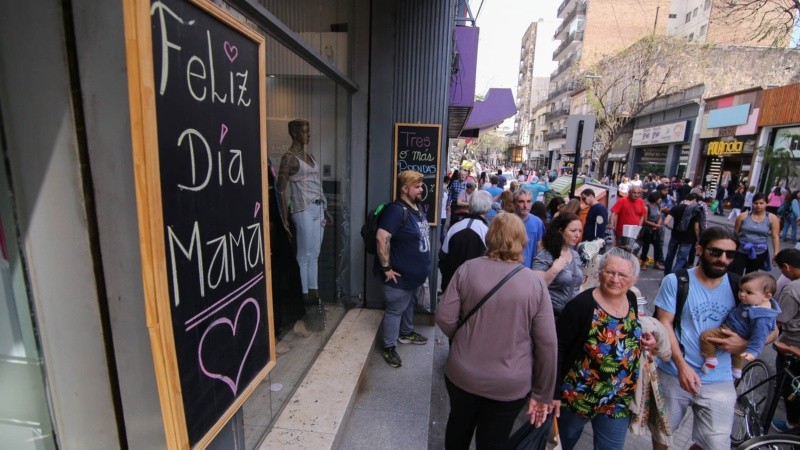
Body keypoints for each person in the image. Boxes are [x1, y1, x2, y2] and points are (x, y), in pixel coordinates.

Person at [435, 213, 558, 449]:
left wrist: (461, 337)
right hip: (509, 382)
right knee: (494, 440)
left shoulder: (468, 269)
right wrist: (542, 393)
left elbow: (443, 316)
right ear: (522, 241)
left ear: (489, 238)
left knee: (457, 429)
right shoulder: (534, 283)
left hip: (463, 373)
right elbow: (547, 343)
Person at [652, 227, 761, 450]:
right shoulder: (677, 281)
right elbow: (665, 323)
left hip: (719, 381)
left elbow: (771, 326)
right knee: (663, 436)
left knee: (716, 445)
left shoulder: (739, 286)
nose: (723, 259)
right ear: (700, 249)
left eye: (730, 254)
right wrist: (681, 366)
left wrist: (743, 344)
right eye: (716, 252)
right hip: (675, 374)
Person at [554, 248, 656, 450]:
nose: (615, 279)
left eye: (622, 275)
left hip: (618, 401)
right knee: (561, 444)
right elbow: (558, 349)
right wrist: (552, 393)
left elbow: (628, 333)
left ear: (633, 279)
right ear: (600, 273)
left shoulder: (632, 300)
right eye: (610, 272)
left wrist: (644, 340)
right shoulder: (581, 306)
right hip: (577, 399)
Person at [277, 119, 332, 329]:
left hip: (318, 208)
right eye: (304, 131)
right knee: (304, 256)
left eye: (309, 130)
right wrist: (284, 218)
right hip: (303, 210)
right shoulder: (289, 159)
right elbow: (280, 189)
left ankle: (314, 295)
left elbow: (317, 184)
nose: (308, 134)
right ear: (293, 133)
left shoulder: (311, 157)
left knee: (314, 255)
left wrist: (326, 207)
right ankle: (304, 300)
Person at [375, 170, 432, 368]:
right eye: (417, 186)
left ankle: (406, 334)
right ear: (404, 189)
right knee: (395, 310)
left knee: (408, 305)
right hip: (399, 278)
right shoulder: (396, 210)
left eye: (421, 185)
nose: (421, 189)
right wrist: (387, 268)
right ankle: (389, 347)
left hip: (413, 277)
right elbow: (382, 237)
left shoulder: (415, 207)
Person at [699, 272, 779, 378]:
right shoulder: (754, 304)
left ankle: (711, 359)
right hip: (737, 332)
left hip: (732, 331)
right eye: (741, 290)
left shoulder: (762, 316)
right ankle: (737, 370)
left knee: (706, 337)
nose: (742, 294)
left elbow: (760, 334)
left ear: (766, 296)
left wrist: (753, 350)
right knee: (737, 353)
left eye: (749, 292)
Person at [533, 213, 584, 318]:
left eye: (580, 231)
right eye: (573, 231)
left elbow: (576, 286)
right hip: (550, 314)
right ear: (560, 230)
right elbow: (535, 286)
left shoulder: (575, 255)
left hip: (571, 315)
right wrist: (554, 270)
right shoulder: (546, 254)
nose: (577, 235)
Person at [439, 191, 491, 291]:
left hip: (451, 285)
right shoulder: (487, 232)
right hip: (475, 290)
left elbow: (443, 256)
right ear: (488, 208)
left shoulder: (454, 228)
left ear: (470, 206)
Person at [773, 249, 800, 431]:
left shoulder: (792, 289)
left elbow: (780, 322)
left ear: (787, 267)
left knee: (791, 386)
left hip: (794, 343)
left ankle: (791, 424)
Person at [730, 193, 780, 276]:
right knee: (734, 274)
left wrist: (776, 254)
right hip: (741, 250)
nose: (758, 206)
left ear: (766, 204)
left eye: (761, 203)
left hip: (759, 252)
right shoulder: (743, 216)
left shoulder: (772, 218)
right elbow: (735, 234)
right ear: (752, 203)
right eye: (756, 203)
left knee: (750, 276)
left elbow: (775, 237)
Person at [513, 188, 545, 268]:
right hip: (511, 270)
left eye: (528, 201)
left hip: (530, 269)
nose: (525, 205)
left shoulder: (537, 222)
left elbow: (540, 247)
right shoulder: (506, 222)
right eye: (521, 201)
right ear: (514, 203)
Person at [640, 191, 663, 270]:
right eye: (659, 198)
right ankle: (643, 262)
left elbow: (660, 216)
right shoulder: (647, 207)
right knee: (646, 246)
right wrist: (655, 225)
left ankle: (657, 262)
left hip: (656, 229)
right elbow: (645, 220)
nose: (660, 199)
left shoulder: (658, 206)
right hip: (648, 229)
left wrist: (658, 225)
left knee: (657, 246)